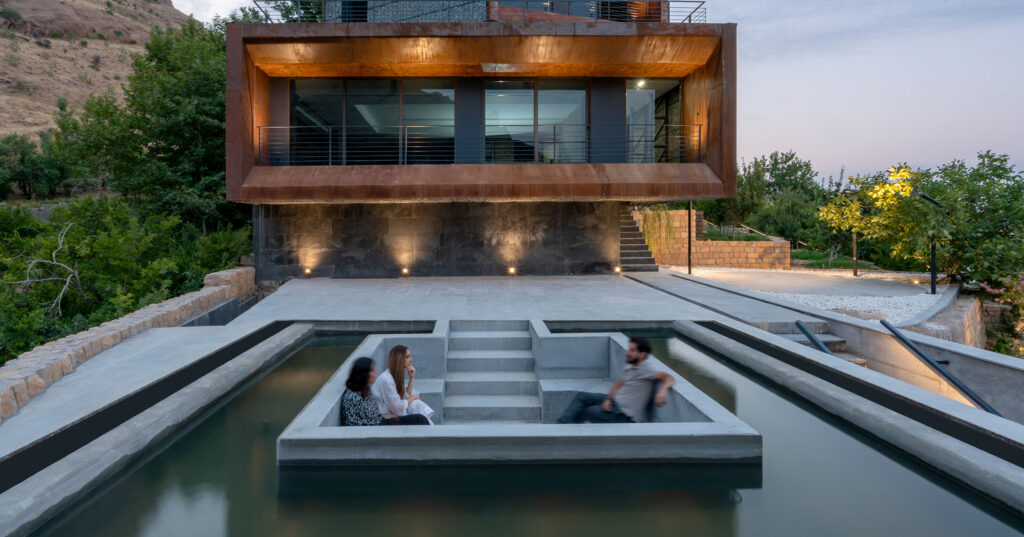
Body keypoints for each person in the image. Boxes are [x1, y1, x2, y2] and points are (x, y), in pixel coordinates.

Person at [557, 337, 675, 424]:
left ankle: (561, 433)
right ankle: (562, 426)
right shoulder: (630, 366)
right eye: (629, 349)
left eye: (632, 350)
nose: (627, 353)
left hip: (624, 415)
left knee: (585, 411)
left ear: (642, 354)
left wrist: (662, 391)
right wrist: (608, 399)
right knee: (581, 396)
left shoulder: (647, 368)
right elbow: (618, 386)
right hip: (615, 403)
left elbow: (669, 378)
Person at [340, 357, 429, 426]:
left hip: (382, 423)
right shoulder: (353, 397)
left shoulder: (366, 390)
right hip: (377, 430)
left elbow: (376, 414)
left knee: (419, 418)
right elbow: (356, 425)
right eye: (372, 370)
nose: (375, 372)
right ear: (363, 374)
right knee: (418, 420)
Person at [371, 345, 435, 425]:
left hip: (394, 415)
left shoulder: (395, 376)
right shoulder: (386, 379)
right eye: (407, 357)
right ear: (399, 360)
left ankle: (432, 431)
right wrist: (413, 397)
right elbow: (397, 407)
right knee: (419, 417)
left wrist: (412, 377)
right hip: (384, 420)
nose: (411, 360)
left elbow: (406, 396)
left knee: (416, 404)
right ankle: (433, 432)